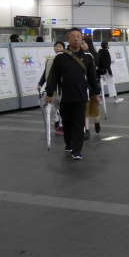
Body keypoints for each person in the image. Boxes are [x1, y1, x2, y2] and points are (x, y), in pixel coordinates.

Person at [45, 28, 101, 160]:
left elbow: (93, 78)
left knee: (79, 123)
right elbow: (53, 77)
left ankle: (77, 149)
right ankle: (69, 143)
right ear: (68, 39)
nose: (76, 39)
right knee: (67, 122)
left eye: (78, 36)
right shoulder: (60, 57)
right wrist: (49, 93)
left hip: (81, 96)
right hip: (64, 97)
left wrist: (96, 93)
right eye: (73, 36)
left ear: (81, 39)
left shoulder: (88, 57)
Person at [38, 41, 65, 135]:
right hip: (52, 87)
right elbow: (46, 73)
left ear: (64, 48)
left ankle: (62, 124)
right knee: (52, 106)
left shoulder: (66, 60)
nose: (58, 48)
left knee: (62, 106)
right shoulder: (49, 60)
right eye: (56, 46)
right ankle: (57, 121)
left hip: (63, 87)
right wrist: (40, 83)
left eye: (60, 46)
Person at [81, 36, 102, 138]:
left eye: (84, 43)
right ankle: (87, 130)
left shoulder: (94, 55)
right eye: (82, 43)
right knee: (85, 109)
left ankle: (97, 122)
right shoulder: (79, 56)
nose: (83, 45)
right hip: (84, 86)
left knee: (94, 108)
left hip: (93, 85)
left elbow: (101, 69)